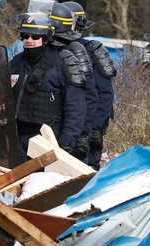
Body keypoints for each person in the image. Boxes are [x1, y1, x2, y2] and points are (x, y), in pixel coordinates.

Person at [9, 12, 87, 161]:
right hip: (17, 137)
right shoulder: (16, 62)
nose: (29, 40)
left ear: (46, 38)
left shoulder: (62, 63)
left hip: (48, 139)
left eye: (35, 37)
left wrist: (66, 143)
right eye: (25, 36)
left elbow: (75, 108)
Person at [62, 0, 117, 169]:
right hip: (68, 126)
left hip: (91, 125)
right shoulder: (57, 49)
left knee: (87, 169)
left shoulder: (91, 50)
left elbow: (104, 95)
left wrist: (94, 128)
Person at [41, 2, 95, 161]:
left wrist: (80, 136)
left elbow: (88, 98)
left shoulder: (74, 50)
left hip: (66, 132)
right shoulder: (39, 52)